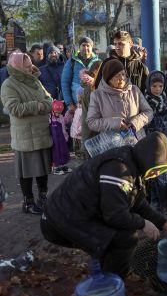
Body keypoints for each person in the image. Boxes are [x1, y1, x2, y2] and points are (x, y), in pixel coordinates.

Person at [40, 132, 167, 279]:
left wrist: (164, 222)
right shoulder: (119, 170)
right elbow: (114, 215)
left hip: (76, 214)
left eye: (160, 169)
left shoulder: (131, 162)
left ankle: (106, 273)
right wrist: (143, 224)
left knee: (116, 239)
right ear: (147, 157)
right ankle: (110, 287)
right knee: (125, 238)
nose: (156, 173)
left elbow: (139, 204)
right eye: (156, 168)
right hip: (58, 220)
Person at [0, 52, 53, 214]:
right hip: (25, 136)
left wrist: (45, 104)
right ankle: (28, 202)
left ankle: (43, 198)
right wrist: (37, 106)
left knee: (43, 169)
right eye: (27, 66)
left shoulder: (34, 80)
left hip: (42, 131)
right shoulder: (9, 85)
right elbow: (13, 108)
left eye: (31, 65)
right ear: (17, 67)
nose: (31, 68)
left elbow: (49, 99)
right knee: (27, 171)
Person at [144, 71, 167, 217]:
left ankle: (164, 205)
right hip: (149, 145)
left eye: (160, 86)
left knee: (163, 176)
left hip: (166, 145)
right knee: (152, 176)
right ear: (149, 85)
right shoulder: (144, 102)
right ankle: (154, 203)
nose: (157, 89)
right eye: (154, 86)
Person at [87, 59, 153, 137]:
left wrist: (135, 123)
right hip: (113, 144)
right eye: (117, 75)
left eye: (123, 74)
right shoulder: (97, 95)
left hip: (137, 140)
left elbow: (149, 112)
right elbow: (91, 122)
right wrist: (115, 123)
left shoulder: (134, 90)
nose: (122, 78)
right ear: (108, 79)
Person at [61, 37, 99, 119]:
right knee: (77, 130)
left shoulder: (98, 62)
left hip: (95, 105)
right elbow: (65, 83)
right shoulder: (72, 62)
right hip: (77, 106)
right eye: (83, 45)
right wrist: (69, 103)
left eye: (88, 45)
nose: (86, 48)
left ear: (92, 47)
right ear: (79, 47)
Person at [49, 100, 72, 175]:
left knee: (63, 152)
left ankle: (63, 166)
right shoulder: (50, 118)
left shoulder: (61, 117)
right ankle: (55, 168)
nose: (58, 114)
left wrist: (69, 113)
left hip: (62, 139)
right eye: (56, 112)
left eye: (60, 112)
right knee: (56, 154)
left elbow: (66, 120)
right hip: (55, 141)